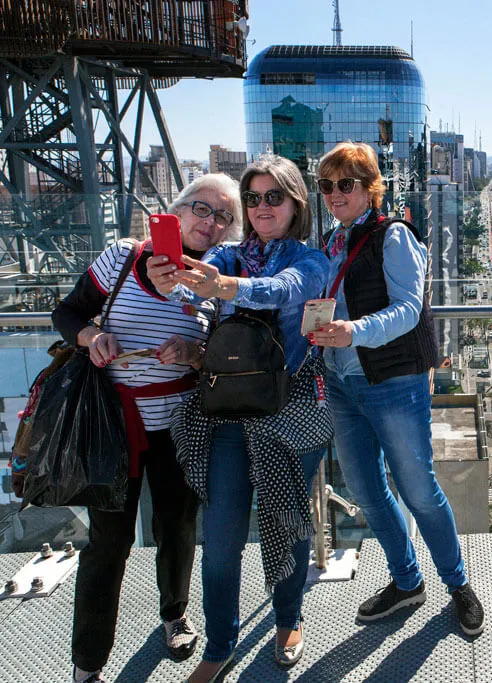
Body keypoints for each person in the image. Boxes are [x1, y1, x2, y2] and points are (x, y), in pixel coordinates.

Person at [41, 174, 241, 683]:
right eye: (202, 208)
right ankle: (88, 664)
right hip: (113, 424)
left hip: (179, 425)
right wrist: (92, 336)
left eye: (222, 217)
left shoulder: (213, 281)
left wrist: (194, 354)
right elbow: (66, 312)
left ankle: (174, 616)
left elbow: (214, 356)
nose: (210, 222)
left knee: (178, 528)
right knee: (108, 543)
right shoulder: (123, 258)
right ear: (176, 212)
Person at [149, 154, 331, 682]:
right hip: (228, 410)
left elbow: (284, 290)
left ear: (296, 201)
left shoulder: (309, 258)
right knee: (223, 533)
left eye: (273, 196)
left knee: (288, 521)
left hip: (290, 407)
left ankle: (288, 620)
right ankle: (220, 642)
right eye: (252, 198)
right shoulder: (227, 256)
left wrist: (224, 288)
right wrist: (177, 290)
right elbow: (198, 301)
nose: (261, 207)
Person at [309, 141, 485, 636]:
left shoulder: (394, 236)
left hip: (393, 382)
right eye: (327, 185)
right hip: (341, 382)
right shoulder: (330, 242)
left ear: (370, 189)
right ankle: (406, 580)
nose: (336, 193)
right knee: (366, 490)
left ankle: (458, 585)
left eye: (347, 184)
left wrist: (353, 330)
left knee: (418, 489)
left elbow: (409, 310)